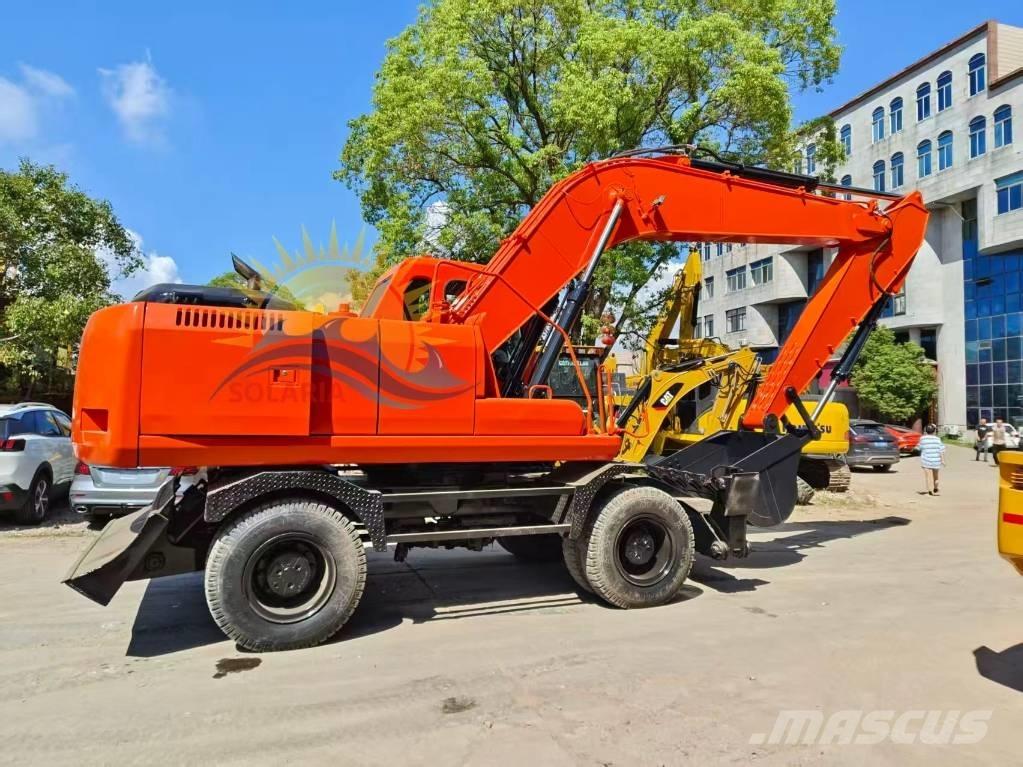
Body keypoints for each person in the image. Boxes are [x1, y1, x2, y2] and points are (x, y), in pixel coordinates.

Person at [918, 424, 946, 495]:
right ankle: (936, 487)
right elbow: (941, 450)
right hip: (936, 460)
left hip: (926, 460)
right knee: (936, 476)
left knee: (928, 476)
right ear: (934, 431)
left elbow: (919, 448)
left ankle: (929, 490)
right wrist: (943, 460)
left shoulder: (922, 438)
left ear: (926, 431)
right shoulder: (937, 439)